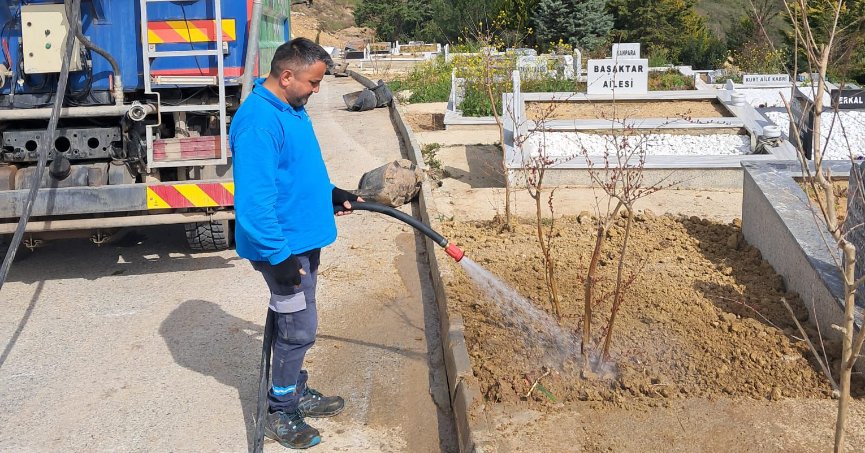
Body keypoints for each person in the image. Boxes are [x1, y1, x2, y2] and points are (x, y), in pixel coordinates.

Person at [230, 37, 363, 449]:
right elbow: (254, 202)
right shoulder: (258, 122)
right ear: (286, 76)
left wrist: (330, 192)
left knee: (296, 324)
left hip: (300, 244)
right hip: (283, 250)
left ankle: (294, 388)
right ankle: (281, 409)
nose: (316, 90)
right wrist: (279, 255)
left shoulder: (290, 108)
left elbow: (298, 170)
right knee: (297, 329)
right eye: (313, 82)